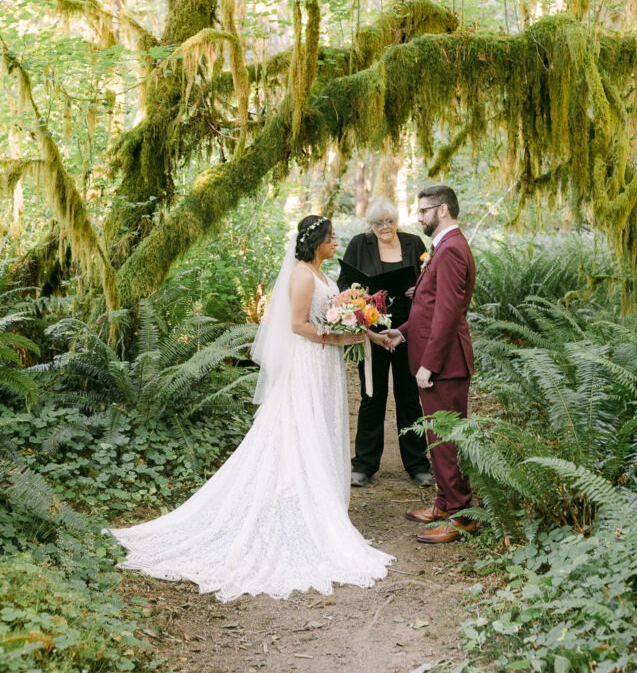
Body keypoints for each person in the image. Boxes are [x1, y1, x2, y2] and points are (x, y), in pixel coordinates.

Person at [108, 215, 394, 601]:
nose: (335, 242)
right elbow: (297, 326)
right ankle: (299, 504)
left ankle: (316, 501)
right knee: (301, 429)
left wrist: (370, 334)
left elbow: (333, 319)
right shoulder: (301, 277)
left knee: (321, 428)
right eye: (330, 238)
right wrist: (341, 332)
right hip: (308, 363)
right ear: (315, 243)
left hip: (325, 362)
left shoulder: (323, 276)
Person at [386, 185, 476, 545]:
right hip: (438, 358)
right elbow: (428, 306)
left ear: (441, 210)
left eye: (423, 211)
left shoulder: (452, 249)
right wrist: (403, 333)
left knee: (446, 440)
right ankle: (444, 503)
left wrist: (429, 364)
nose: (419, 217)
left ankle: (461, 516)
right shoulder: (442, 247)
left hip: (446, 363)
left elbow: (449, 313)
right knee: (438, 439)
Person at [337, 197, 433, 489]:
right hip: (373, 329)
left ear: (396, 221)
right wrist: (360, 294)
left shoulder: (414, 244)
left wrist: (419, 288)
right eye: (377, 223)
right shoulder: (358, 244)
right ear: (370, 224)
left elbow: (431, 278)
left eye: (389, 221)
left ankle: (417, 464)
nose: (384, 227)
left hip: (407, 328)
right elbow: (344, 284)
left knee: (408, 397)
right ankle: (364, 465)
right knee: (372, 396)